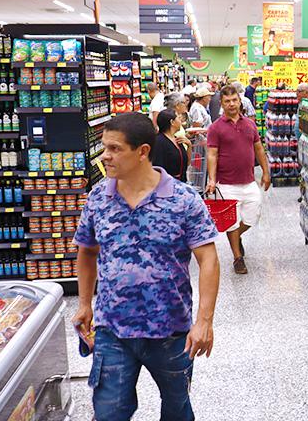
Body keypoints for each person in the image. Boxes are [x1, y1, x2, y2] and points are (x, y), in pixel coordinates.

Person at [72, 112, 220, 421]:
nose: (105, 156)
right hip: (112, 329)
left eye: (115, 149)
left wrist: (204, 320)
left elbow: (208, 259)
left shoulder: (183, 199)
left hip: (171, 330)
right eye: (104, 147)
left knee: (177, 409)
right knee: (109, 412)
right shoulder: (98, 199)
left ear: (142, 152)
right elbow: (87, 252)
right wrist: (84, 303)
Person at [206, 85, 271, 274]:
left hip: (249, 181)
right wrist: (211, 179)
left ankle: (236, 237)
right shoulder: (216, 127)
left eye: (234, 100)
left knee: (252, 217)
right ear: (222, 103)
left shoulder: (250, 124)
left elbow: (259, 149)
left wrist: (266, 172)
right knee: (231, 222)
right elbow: (212, 154)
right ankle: (237, 258)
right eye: (227, 101)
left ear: (239, 100)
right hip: (226, 184)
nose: (231, 104)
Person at [152, 109, 190, 181]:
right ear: (172, 122)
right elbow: (157, 168)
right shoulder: (159, 142)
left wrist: (189, 145)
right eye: (178, 118)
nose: (180, 121)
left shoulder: (177, 139)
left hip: (180, 184)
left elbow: (186, 163)